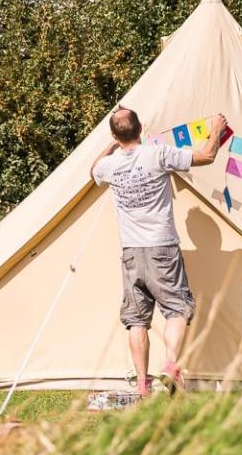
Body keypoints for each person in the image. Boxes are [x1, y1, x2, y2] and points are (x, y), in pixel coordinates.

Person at [91, 106, 227, 396]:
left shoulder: (110, 165)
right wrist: (216, 127)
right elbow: (206, 155)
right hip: (161, 247)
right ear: (141, 130)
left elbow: (94, 169)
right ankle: (170, 365)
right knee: (177, 308)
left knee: (136, 320)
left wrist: (114, 143)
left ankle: (142, 384)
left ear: (115, 135)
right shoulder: (158, 153)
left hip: (131, 251)